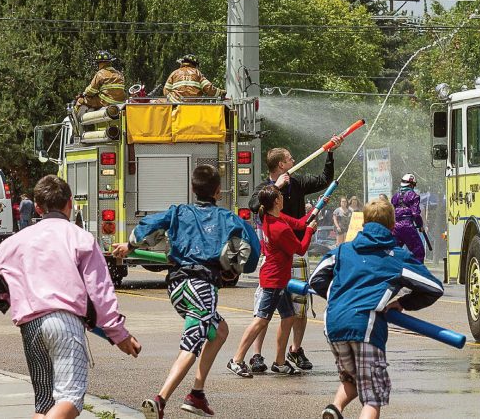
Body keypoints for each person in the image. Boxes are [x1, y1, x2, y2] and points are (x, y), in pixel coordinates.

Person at [0, 175, 141, 419]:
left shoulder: (15, 241)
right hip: (64, 323)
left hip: (30, 326)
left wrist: (13, 296)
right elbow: (99, 292)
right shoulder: (80, 238)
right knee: (70, 400)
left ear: (38, 208)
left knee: (44, 404)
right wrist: (118, 334)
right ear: (70, 203)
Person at [111, 165, 259, 419]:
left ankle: (197, 394)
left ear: (192, 189)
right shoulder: (227, 219)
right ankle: (160, 399)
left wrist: (130, 244)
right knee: (191, 344)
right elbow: (252, 252)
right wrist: (235, 268)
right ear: (217, 191)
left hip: (178, 289)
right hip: (202, 288)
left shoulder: (178, 212)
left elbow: (148, 226)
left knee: (220, 331)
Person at [309, 199, 444, 419]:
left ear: (363, 223)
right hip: (366, 327)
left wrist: (339, 297)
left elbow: (316, 279)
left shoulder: (343, 251)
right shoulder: (396, 257)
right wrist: (403, 302)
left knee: (351, 379)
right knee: (373, 397)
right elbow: (434, 287)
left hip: (334, 324)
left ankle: (334, 409)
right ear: (392, 226)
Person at [245, 142, 342, 373]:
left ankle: (294, 350)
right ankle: (256, 355)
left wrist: (330, 153)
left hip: (297, 249)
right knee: (264, 308)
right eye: (289, 159)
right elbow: (252, 205)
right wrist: (276, 187)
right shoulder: (266, 188)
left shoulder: (297, 183)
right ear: (281, 164)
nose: (293, 160)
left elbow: (324, 180)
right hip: (273, 256)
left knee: (298, 306)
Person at [228, 185, 316, 377]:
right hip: (273, 281)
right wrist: (310, 231)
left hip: (280, 279)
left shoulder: (271, 217)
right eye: (281, 196)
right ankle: (236, 359)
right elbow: (300, 249)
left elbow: (300, 223)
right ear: (276, 201)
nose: (283, 198)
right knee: (261, 320)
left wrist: (313, 212)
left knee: (288, 316)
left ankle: (280, 362)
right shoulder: (279, 227)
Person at [74, 50, 126, 121]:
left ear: (101, 63)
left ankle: (78, 124)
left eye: (98, 63)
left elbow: (91, 90)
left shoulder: (100, 73)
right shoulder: (119, 74)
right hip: (121, 102)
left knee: (80, 101)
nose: (98, 65)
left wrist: (84, 94)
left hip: (105, 102)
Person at [391, 174, 426, 263]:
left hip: (395, 227)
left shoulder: (395, 197)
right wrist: (420, 225)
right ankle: (418, 273)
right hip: (408, 227)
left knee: (392, 252)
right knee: (418, 252)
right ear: (411, 185)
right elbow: (416, 214)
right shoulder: (414, 196)